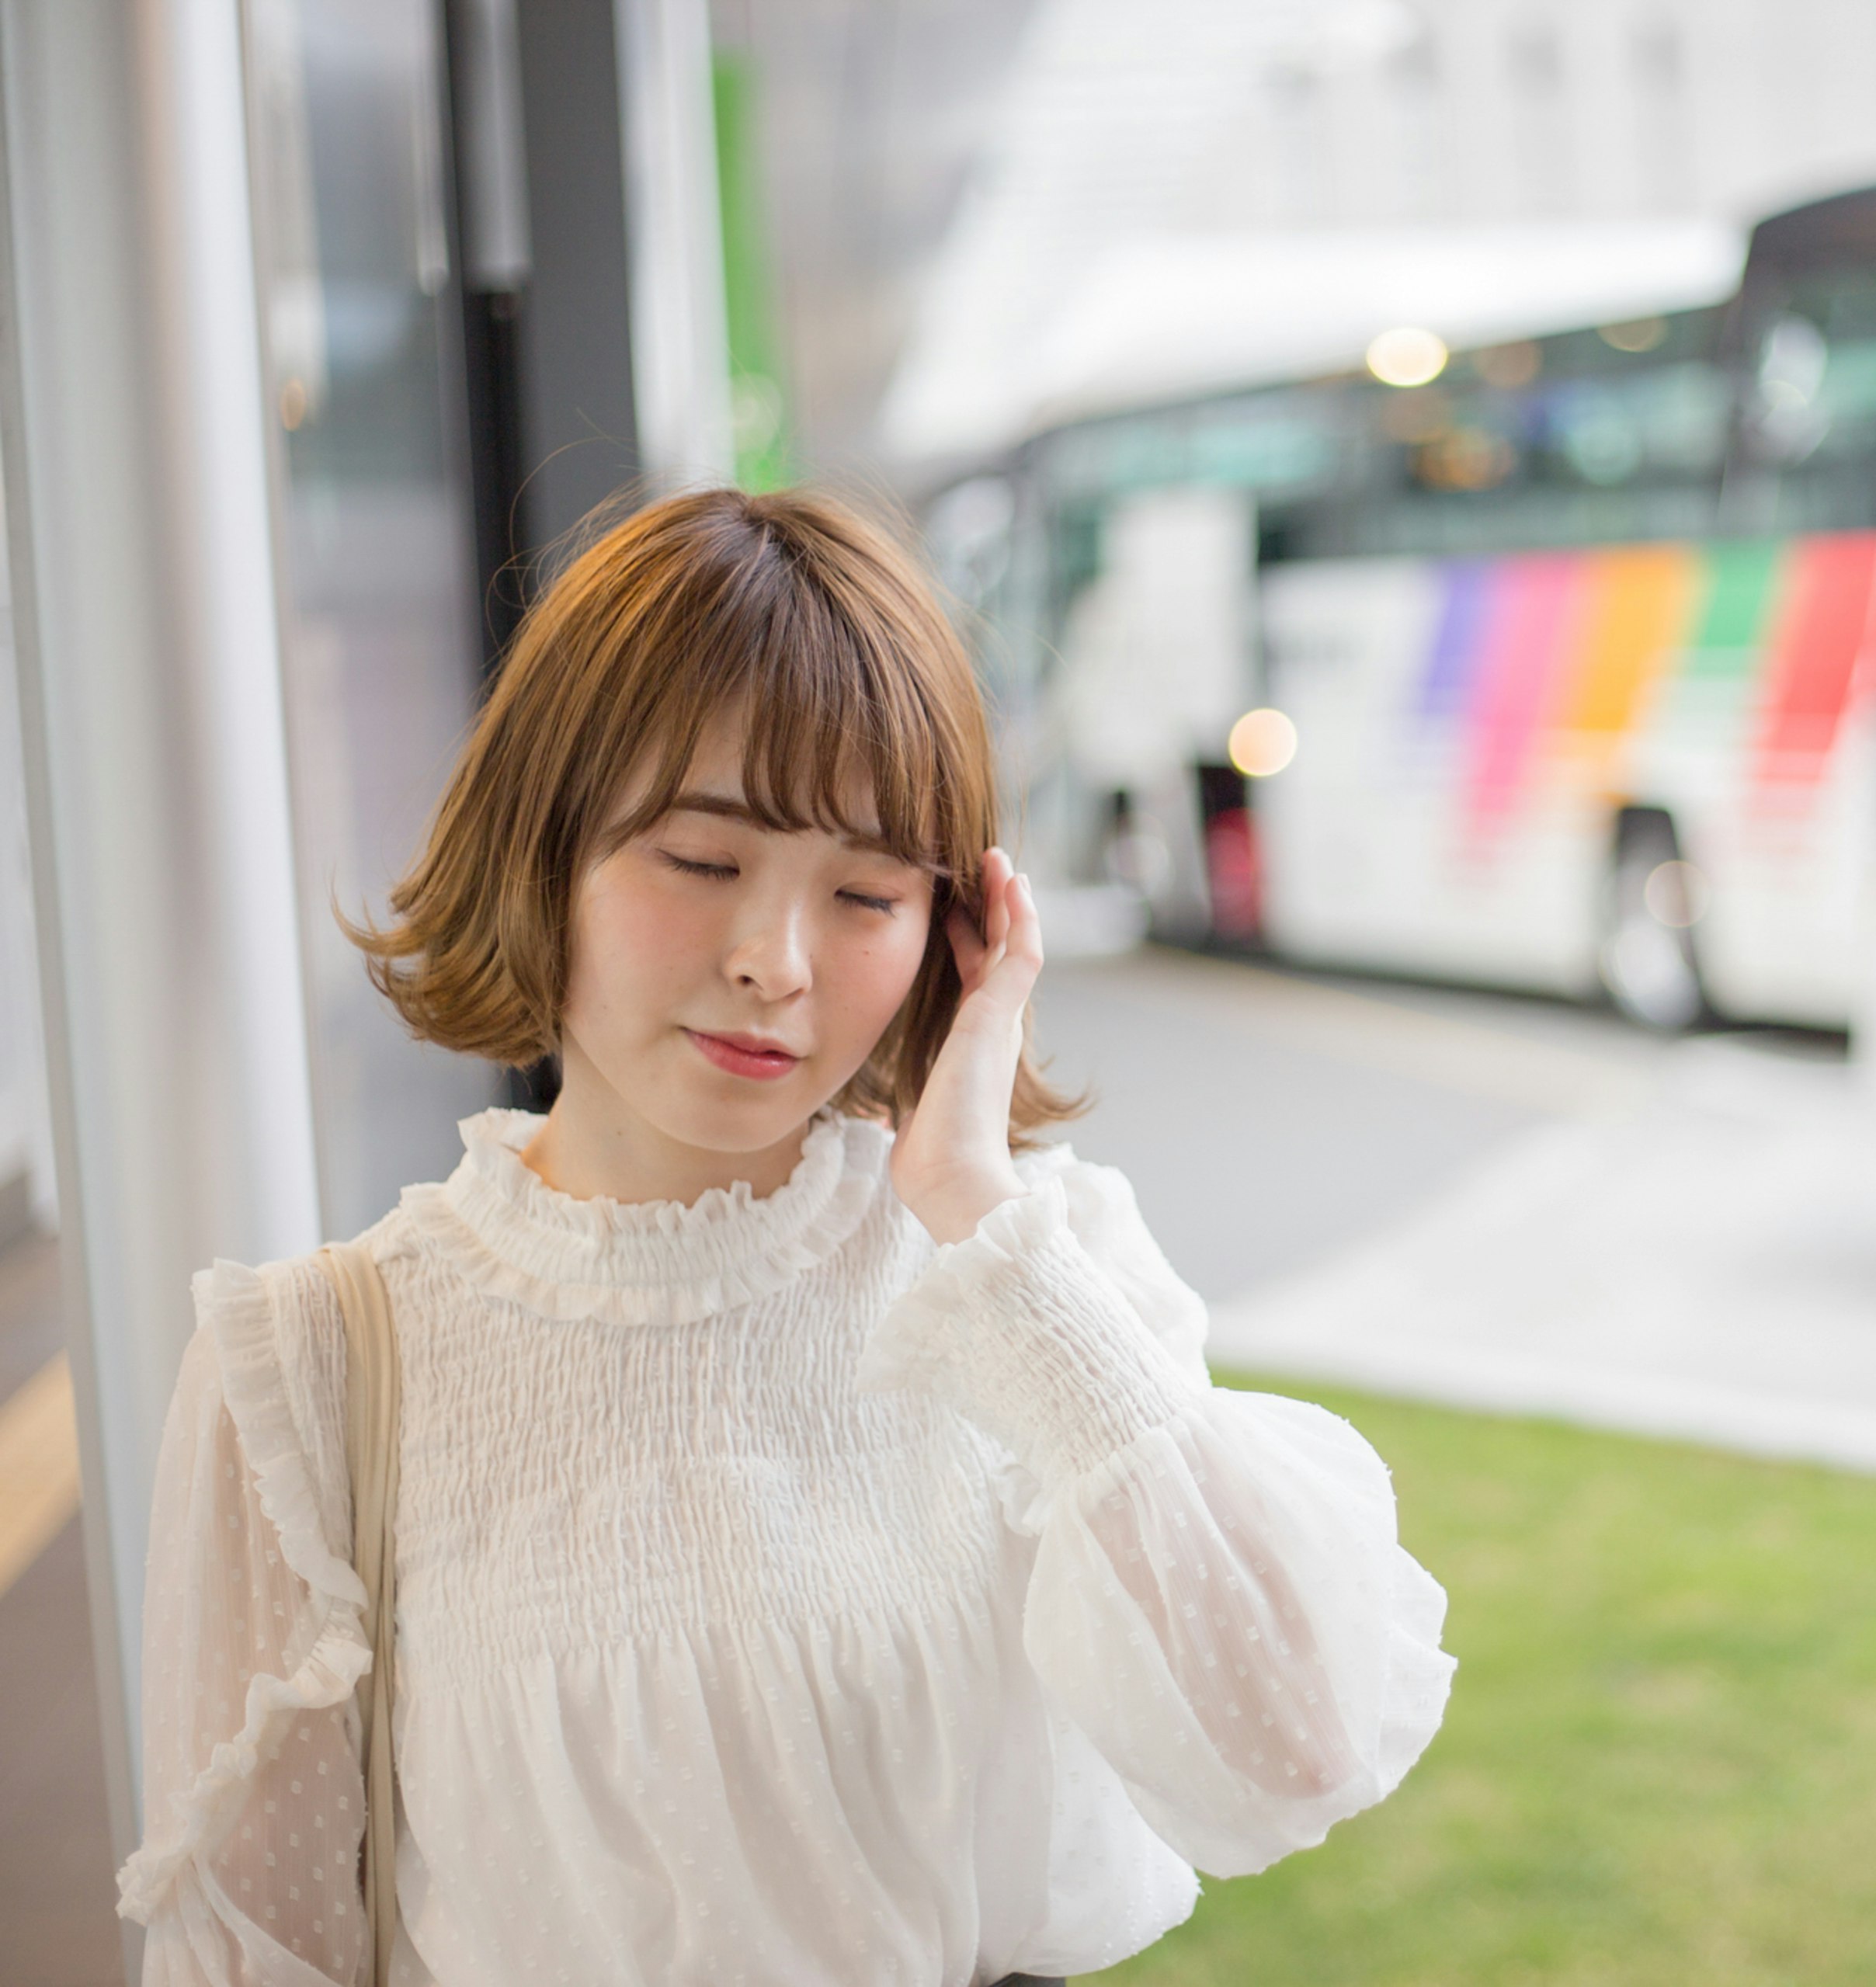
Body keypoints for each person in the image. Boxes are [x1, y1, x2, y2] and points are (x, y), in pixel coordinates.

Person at [114, 487, 1454, 1985]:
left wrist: (974, 1211)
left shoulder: (1028, 1274)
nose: (776, 963)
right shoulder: (314, 1370)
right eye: (702, 862)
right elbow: (253, 1953)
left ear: (957, 925)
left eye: (867, 892)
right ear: (540, 842)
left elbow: (1289, 1745)